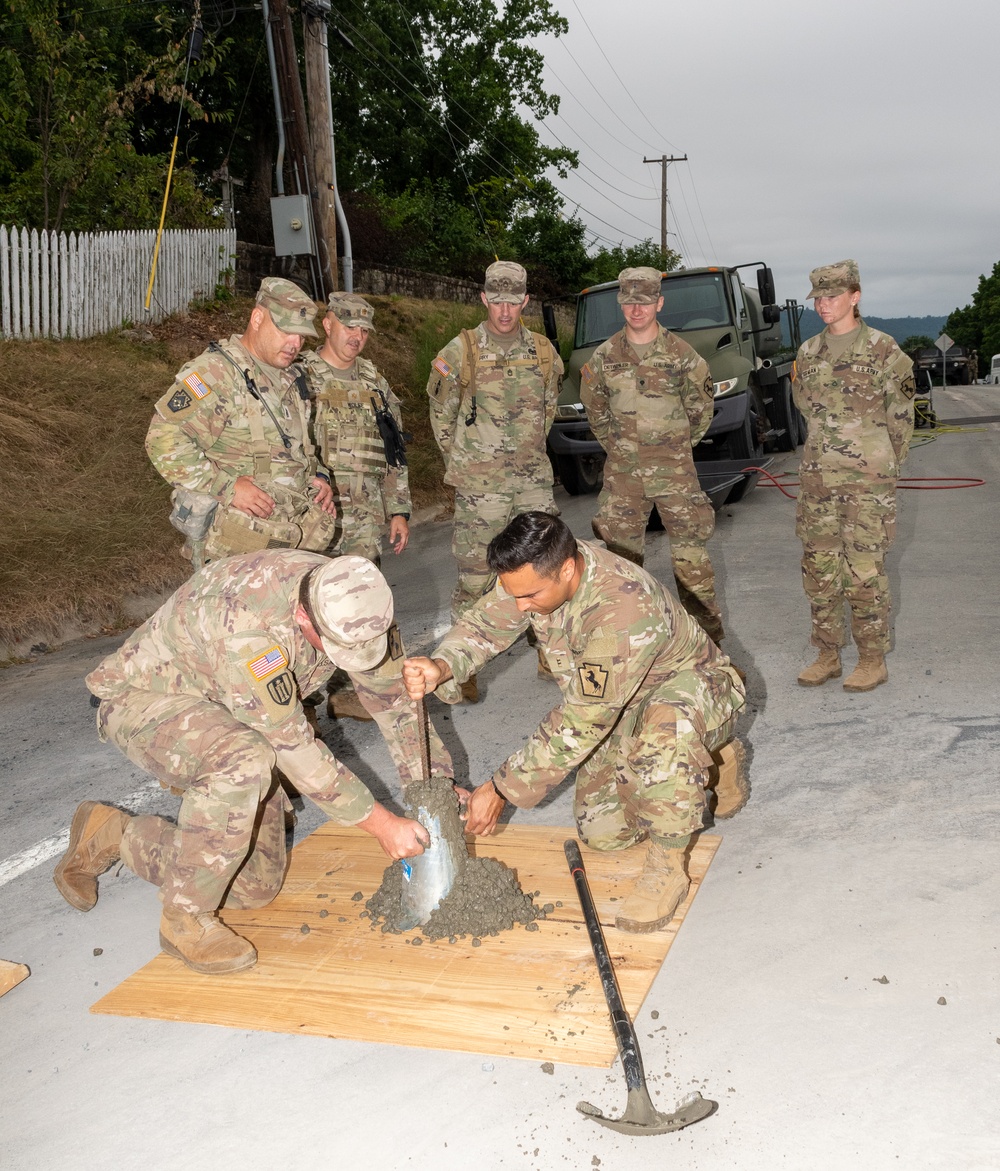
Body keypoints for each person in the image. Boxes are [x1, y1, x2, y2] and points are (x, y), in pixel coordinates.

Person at [53, 551, 452, 975]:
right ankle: (184, 919)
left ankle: (114, 834)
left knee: (253, 886)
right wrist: (381, 824)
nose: (353, 658)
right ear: (302, 616)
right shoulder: (245, 630)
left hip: (232, 705)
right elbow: (291, 746)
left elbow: (393, 700)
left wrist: (435, 788)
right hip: (143, 700)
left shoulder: (353, 598)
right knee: (245, 760)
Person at [402, 511, 747, 934]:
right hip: (617, 704)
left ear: (568, 569)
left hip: (691, 691)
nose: (520, 606)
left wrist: (500, 788)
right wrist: (441, 664)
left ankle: (670, 863)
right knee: (604, 833)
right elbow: (485, 623)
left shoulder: (622, 609)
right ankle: (704, 762)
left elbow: (583, 721)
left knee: (664, 743)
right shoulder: (536, 573)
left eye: (528, 596)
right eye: (515, 595)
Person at [426, 261, 563, 700]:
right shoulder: (460, 350)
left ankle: (550, 652)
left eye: (513, 301)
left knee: (545, 571)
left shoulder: (543, 352)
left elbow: (549, 411)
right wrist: (467, 463)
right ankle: (459, 669)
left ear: (525, 301)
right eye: (497, 300)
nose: (505, 310)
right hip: (479, 489)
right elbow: (441, 416)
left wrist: (523, 457)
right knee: (474, 576)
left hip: (531, 485)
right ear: (484, 299)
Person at [146, 277, 336, 564]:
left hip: (287, 539)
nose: (295, 343)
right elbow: (161, 439)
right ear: (257, 318)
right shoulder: (217, 373)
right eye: (286, 330)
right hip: (238, 549)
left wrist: (317, 476)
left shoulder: (290, 377)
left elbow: (293, 447)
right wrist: (227, 487)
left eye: (301, 336)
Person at [580, 266, 723, 643]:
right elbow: (595, 410)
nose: (636, 310)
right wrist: (621, 449)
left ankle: (708, 646)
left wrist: (673, 447)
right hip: (624, 478)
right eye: (629, 302)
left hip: (675, 476)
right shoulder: (604, 356)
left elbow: (701, 408)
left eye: (644, 302)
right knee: (621, 566)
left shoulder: (682, 355)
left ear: (659, 302)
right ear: (620, 303)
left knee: (692, 563)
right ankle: (628, 646)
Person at [792, 260, 915, 692]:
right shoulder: (807, 354)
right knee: (819, 569)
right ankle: (827, 654)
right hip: (818, 480)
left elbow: (901, 418)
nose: (824, 304)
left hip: (868, 483)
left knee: (864, 572)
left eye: (833, 296)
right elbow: (806, 407)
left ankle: (871, 659)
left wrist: (881, 466)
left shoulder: (885, 350)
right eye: (819, 298)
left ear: (855, 297)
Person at [299, 292, 411, 722]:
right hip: (314, 517)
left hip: (362, 518)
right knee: (309, 607)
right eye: (349, 327)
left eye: (364, 330)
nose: (357, 337)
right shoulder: (299, 376)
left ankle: (348, 694)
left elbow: (393, 449)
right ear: (327, 324)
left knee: (358, 606)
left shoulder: (374, 381)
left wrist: (398, 508)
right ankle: (302, 705)